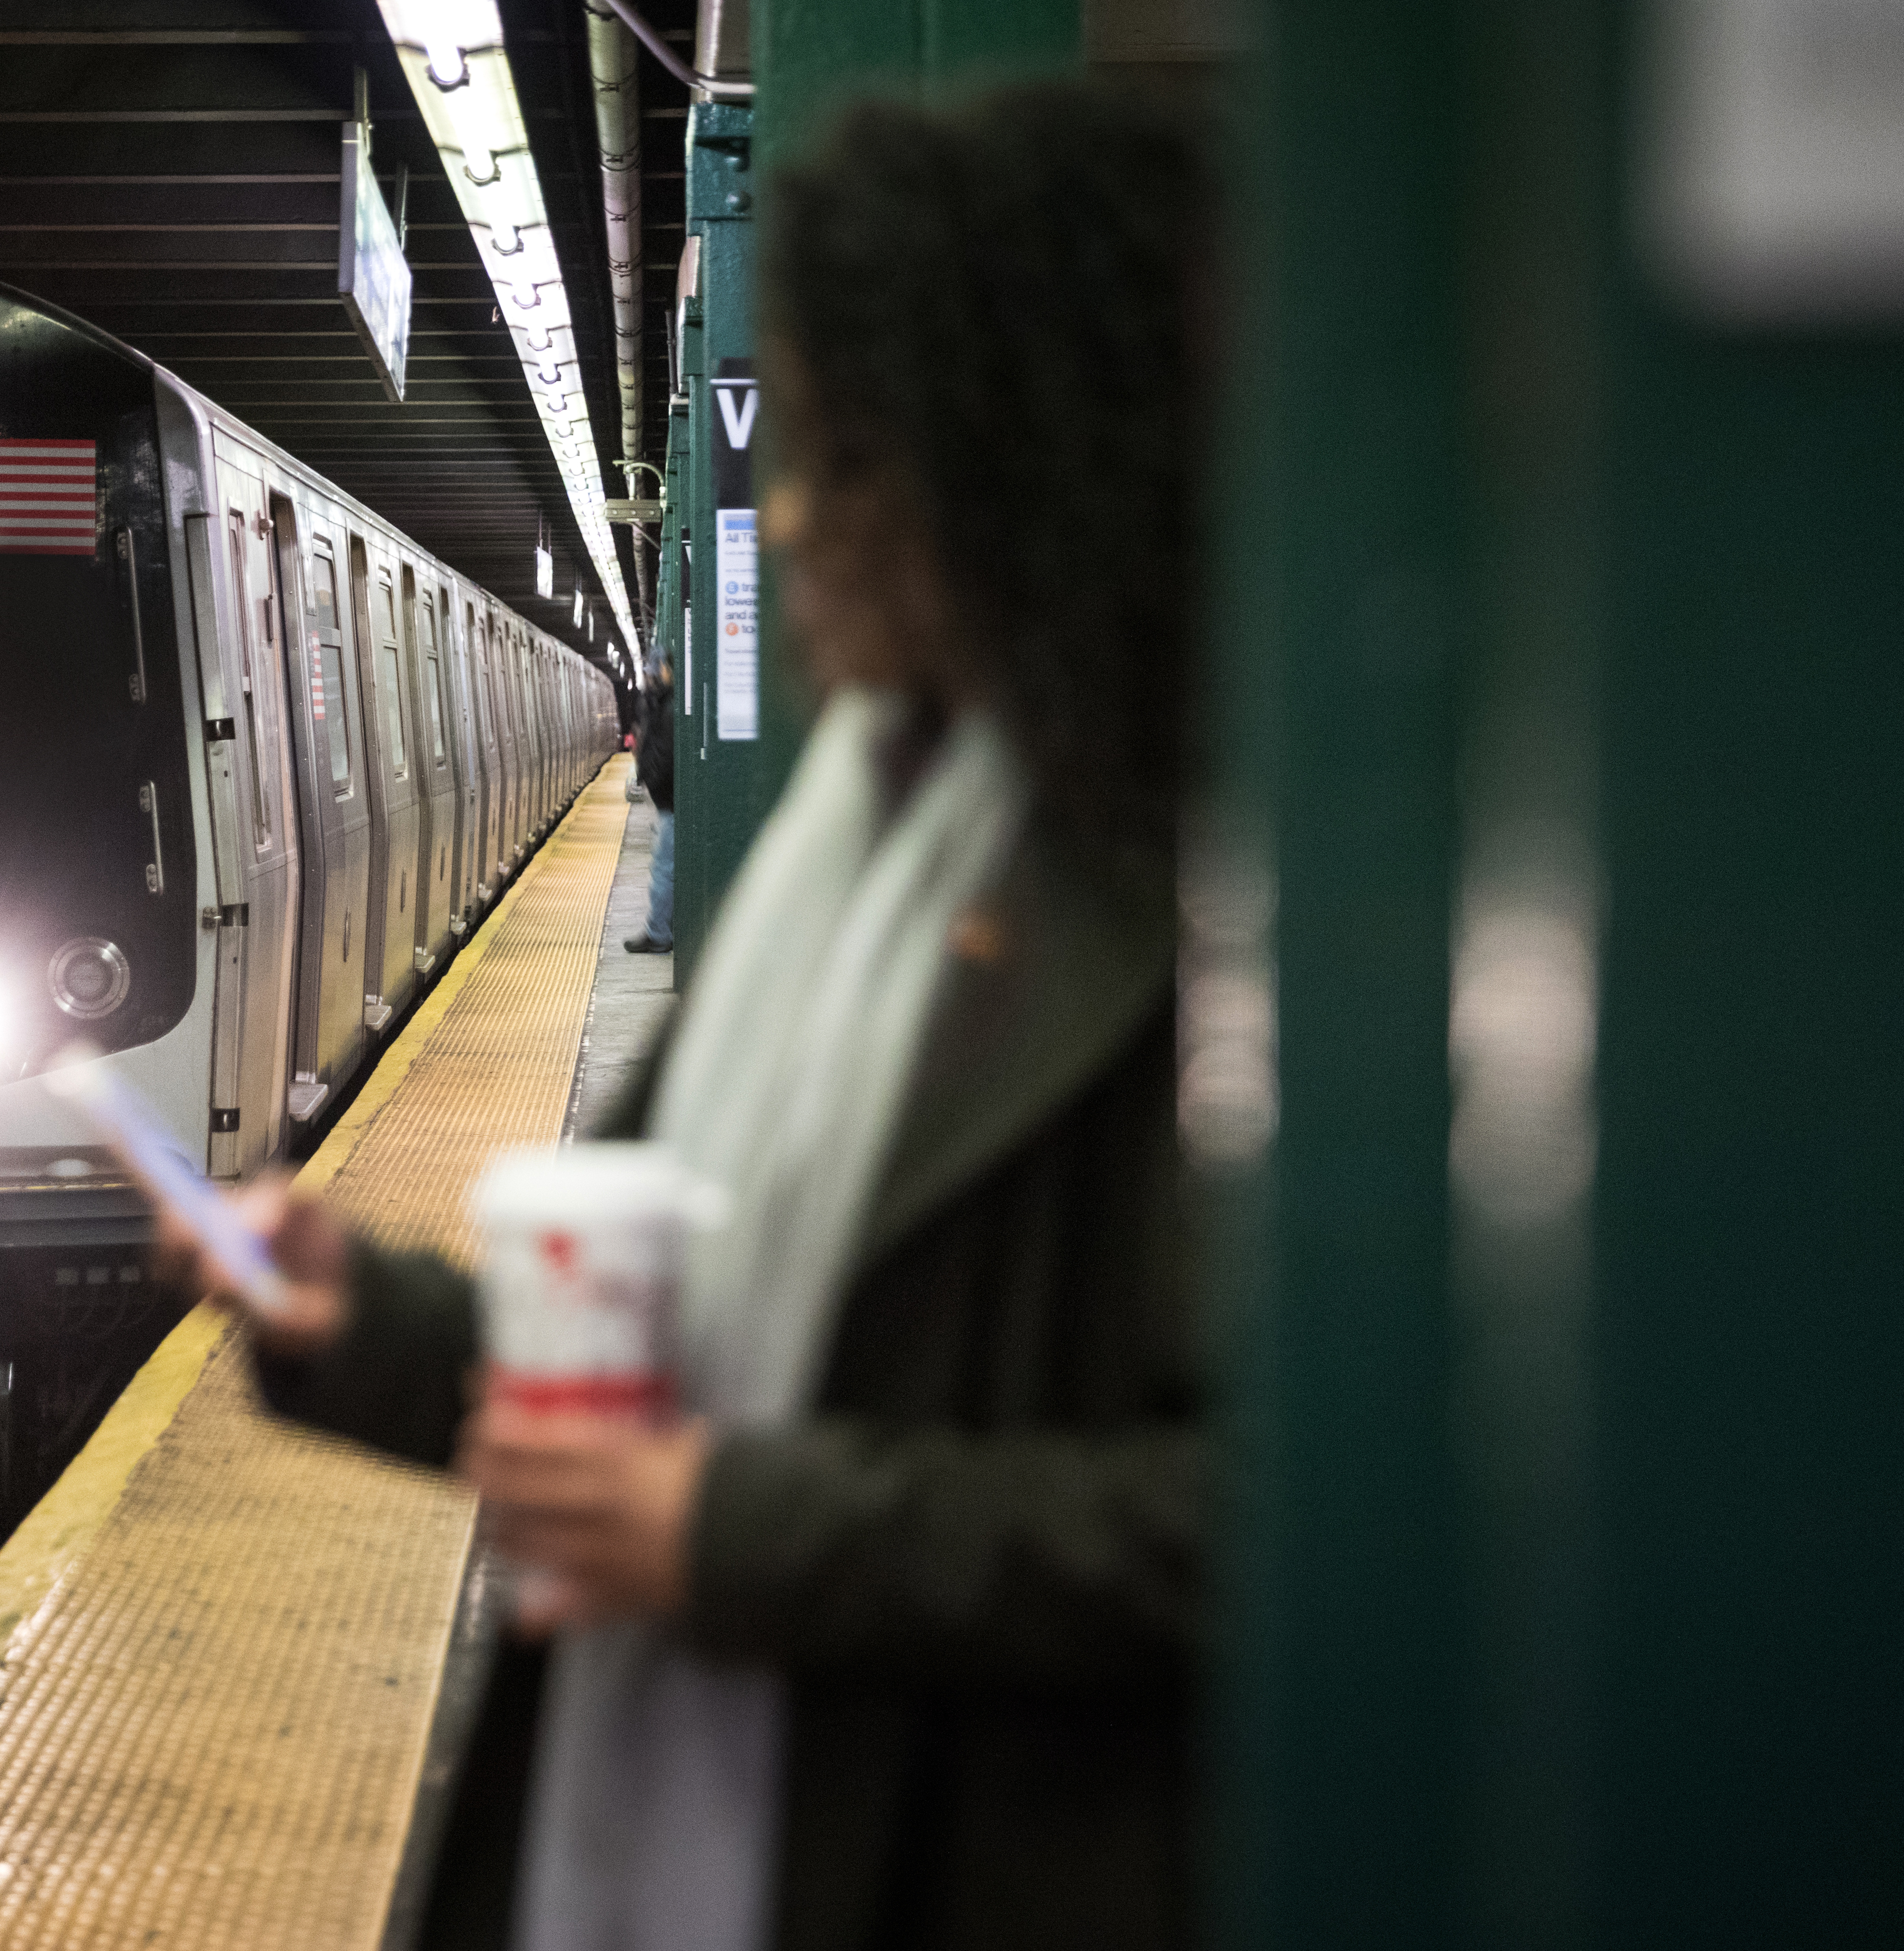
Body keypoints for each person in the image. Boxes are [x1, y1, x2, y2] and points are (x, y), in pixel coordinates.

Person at [164, 78, 1212, 1951]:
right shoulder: (847, 842)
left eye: (851, 461)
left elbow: (1274, 1522)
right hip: (679, 1830)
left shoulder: (1204, 915)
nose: (791, 517)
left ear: (1024, 469)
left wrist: (733, 1534)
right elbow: (671, 1361)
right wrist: (369, 1321)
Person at [627, 658, 677, 954]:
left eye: (653, 673)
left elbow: (664, 752)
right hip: (665, 798)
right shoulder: (659, 706)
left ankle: (659, 933)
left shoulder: (668, 709)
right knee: (663, 867)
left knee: (663, 868)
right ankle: (658, 929)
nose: (649, 679)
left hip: (669, 799)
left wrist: (650, 776)